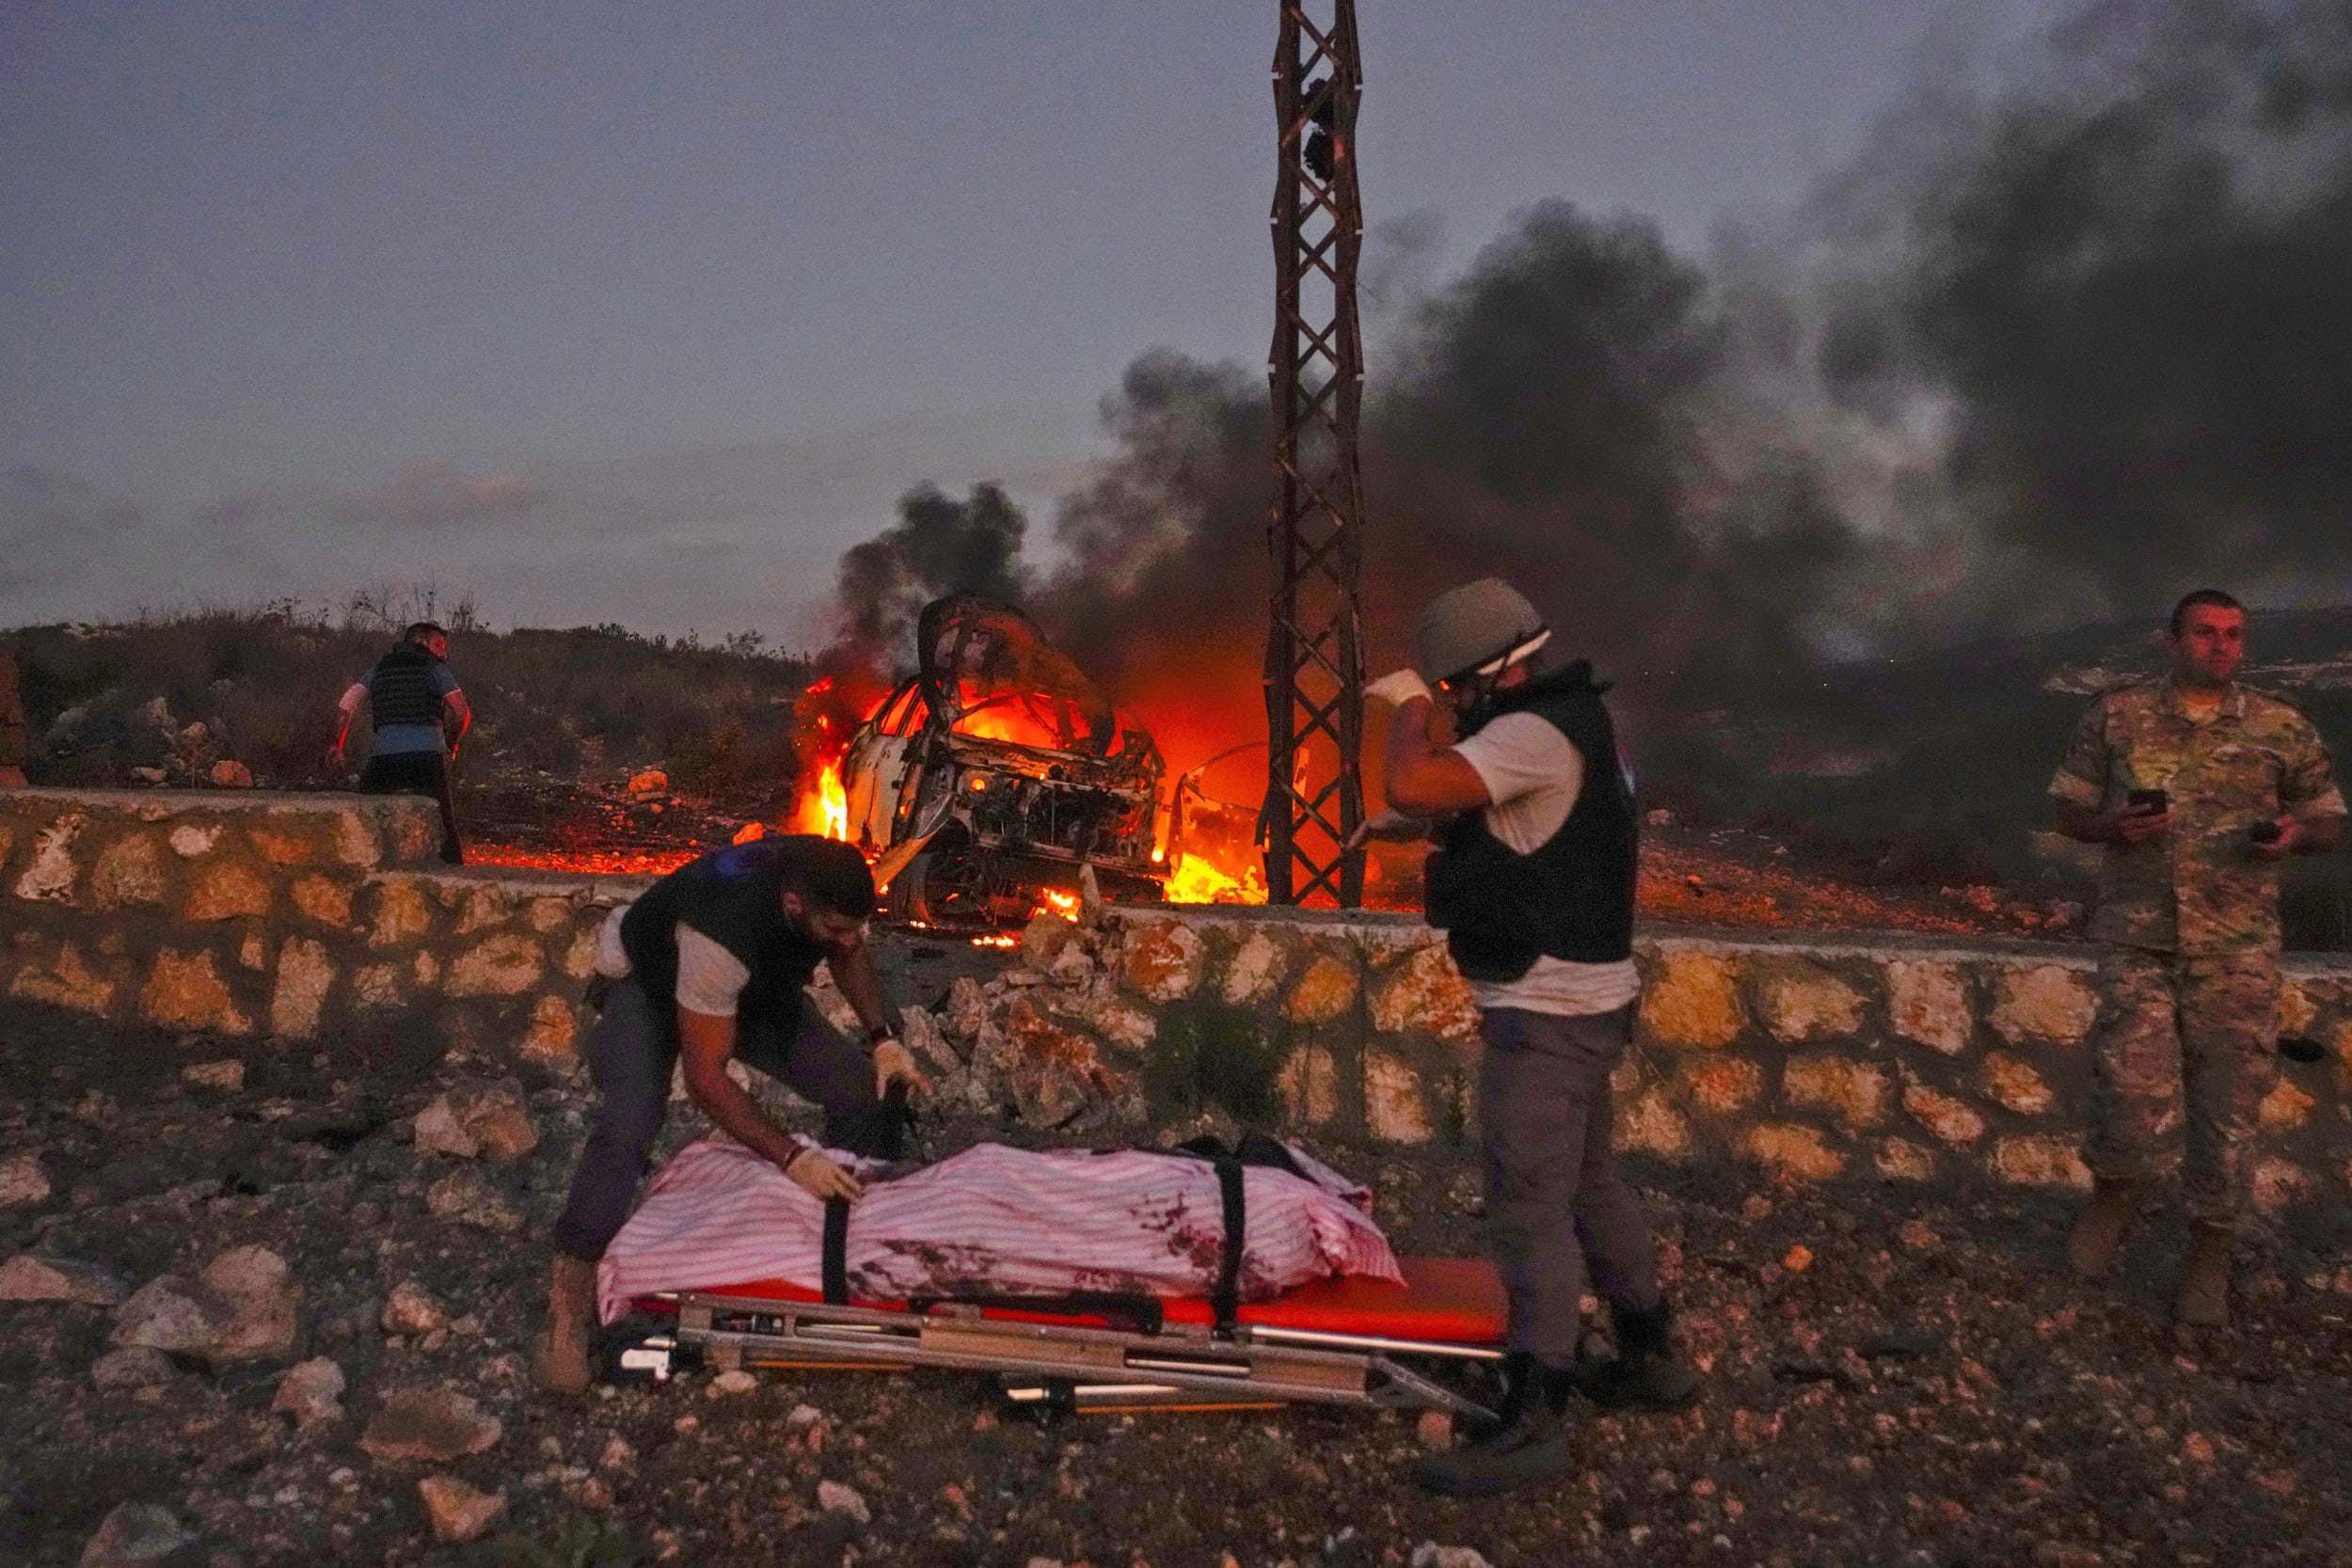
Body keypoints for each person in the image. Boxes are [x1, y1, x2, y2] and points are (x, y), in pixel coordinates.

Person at [1360, 578, 1696, 1498]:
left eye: (1455, 689)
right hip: (1588, 999)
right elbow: (1511, 820)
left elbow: (1411, 780)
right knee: (1589, 1183)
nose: (1454, 704)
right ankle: (1653, 1355)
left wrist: (1406, 707)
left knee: (1527, 1210)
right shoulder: (1578, 721)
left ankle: (1533, 1415)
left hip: (1547, 1014)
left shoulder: (1530, 733)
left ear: (1485, 672)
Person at [532, 834, 930, 1395]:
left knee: (860, 1089)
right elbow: (706, 1081)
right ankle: (569, 1295)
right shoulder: (721, 931)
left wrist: (883, 1039)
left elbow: (849, 952)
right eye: (834, 929)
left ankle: (844, 1249)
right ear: (794, 905)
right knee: (629, 1124)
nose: (847, 939)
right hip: (651, 986)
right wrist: (793, 1159)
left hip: (755, 991)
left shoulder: (823, 881)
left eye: (854, 927)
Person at [2050, 589, 2344, 1326]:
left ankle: (2210, 1251)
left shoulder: (2281, 724)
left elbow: (2328, 820)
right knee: (2127, 1089)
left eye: (2234, 634)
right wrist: (2112, 826)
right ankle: (2114, 1198)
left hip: (2237, 947)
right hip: (2139, 938)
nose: (2222, 645)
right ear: (2172, 641)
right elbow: (2067, 810)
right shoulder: (2117, 716)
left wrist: (2292, 837)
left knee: (2229, 1110)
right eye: (2207, 632)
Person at [333, 621, 471, 863]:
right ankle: (453, 868)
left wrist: (336, 745)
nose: (444, 652)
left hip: (383, 757)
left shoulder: (378, 670)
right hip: (427, 755)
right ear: (420, 642)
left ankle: (356, 864)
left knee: (365, 814)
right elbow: (461, 713)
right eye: (439, 645)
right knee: (444, 820)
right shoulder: (435, 669)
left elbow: (345, 707)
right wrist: (452, 743)